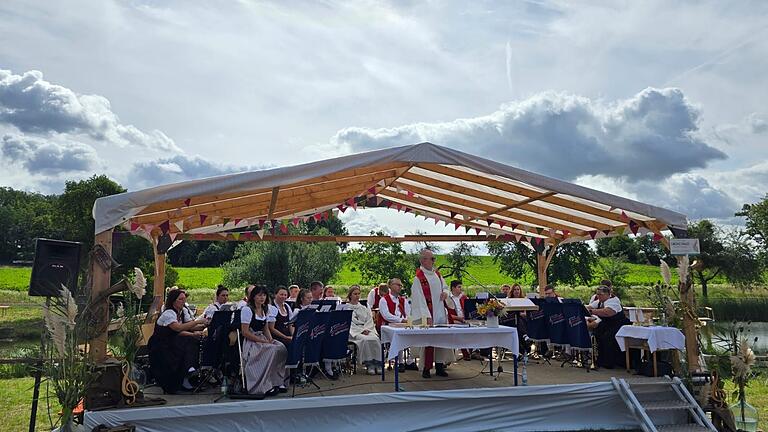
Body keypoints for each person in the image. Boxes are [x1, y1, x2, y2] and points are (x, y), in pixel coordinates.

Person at [148, 289, 208, 393]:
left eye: (184, 299)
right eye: (180, 299)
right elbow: (178, 328)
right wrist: (197, 322)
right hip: (161, 345)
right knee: (187, 342)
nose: (183, 301)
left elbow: (190, 327)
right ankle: (187, 370)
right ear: (173, 301)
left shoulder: (183, 311)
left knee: (196, 341)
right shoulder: (168, 313)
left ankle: (190, 371)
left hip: (173, 342)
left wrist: (204, 325)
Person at [409, 248, 455, 378]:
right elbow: (419, 300)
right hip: (429, 315)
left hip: (440, 313)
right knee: (428, 342)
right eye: (432, 258)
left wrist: (445, 293)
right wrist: (426, 316)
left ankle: (440, 366)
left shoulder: (437, 275)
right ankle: (426, 368)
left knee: (441, 340)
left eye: (434, 258)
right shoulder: (418, 279)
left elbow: (445, 287)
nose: (434, 261)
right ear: (423, 260)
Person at [240, 285, 288, 396]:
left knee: (281, 348)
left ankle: (276, 381)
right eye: (259, 295)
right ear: (254, 297)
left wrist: (270, 340)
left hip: (262, 338)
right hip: (252, 341)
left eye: (264, 295)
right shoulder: (247, 310)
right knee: (271, 350)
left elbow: (265, 328)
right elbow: (245, 332)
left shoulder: (264, 309)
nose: (262, 298)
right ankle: (261, 385)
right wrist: (262, 341)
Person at [377, 278, 416, 371]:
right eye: (397, 285)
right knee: (399, 334)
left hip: (402, 324)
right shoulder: (383, 300)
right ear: (390, 286)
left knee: (416, 333)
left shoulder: (403, 300)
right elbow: (386, 315)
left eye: (400, 285)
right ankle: (400, 362)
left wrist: (406, 320)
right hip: (388, 325)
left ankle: (409, 361)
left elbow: (408, 314)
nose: (400, 287)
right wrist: (400, 320)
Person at [586, 286, 630, 369]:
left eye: (600, 294)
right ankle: (600, 360)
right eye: (597, 294)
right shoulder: (599, 301)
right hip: (607, 325)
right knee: (598, 334)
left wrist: (591, 311)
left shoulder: (613, 301)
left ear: (607, 294)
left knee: (607, 337)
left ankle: (610, 362)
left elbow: (607, 312)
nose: (598, 296)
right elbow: (589, 307)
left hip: (618, 325)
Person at [346, 285, 382, 375]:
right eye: (355, 294)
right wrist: (361, 331)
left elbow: (369, 320)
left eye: (358, 294)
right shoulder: (346, 308)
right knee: (365, 340)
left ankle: (377, 363)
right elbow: (348, 323)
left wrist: (366, 329)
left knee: (375, 339)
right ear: (350, 295)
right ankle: (369, 364)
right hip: (354, 332)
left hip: (367, 329)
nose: (357, 296)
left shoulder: (363, 308)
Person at [447, 280, 472, 361]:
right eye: (459, 287)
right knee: (458, 333)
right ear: (453, 288)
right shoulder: (448, 299)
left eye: (461, 287)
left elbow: (469, 310)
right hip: (453, 321)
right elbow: (447, 314)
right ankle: (465, 353)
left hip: (465, 320)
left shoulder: (464, 297)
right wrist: (459, 319)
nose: (461, 289)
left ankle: (471, 351)